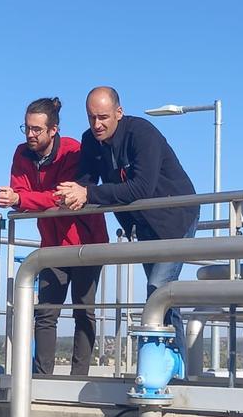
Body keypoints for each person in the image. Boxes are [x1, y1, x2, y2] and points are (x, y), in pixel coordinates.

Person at [54, 86, 199, 352]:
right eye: (91, 117)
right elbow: (86, 182)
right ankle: (176, 370)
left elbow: (140, 187)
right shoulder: (90, 141)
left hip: (176, 218)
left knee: (158, 289)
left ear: (119, 113)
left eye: (103, 117)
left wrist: (88, 193)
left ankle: (165, 369)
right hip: (142, 225)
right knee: (164, 296)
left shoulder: (142, 134)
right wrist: (71, 193)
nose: (97, 124)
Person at [0, 97, 109, 375]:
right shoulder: (21, 153)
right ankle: (42, 377)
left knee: (84, 311)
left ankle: (78, 377)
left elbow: (60, 197)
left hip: (86, 241)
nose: (30, 135)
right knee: (46, 312)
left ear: (53, 130)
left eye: (36, 129)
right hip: (51, 243)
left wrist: (22, 198)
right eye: (26, 128)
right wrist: (19, 197)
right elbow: (20, 192)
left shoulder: (73, 151)